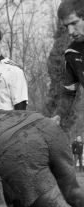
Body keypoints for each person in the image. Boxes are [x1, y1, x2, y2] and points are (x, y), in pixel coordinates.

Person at [53, 0, 84, 128]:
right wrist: (58, 115)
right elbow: (69, 93)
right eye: (67, 26)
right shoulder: (72, 54)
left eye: (74, 23)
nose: (70, 31)